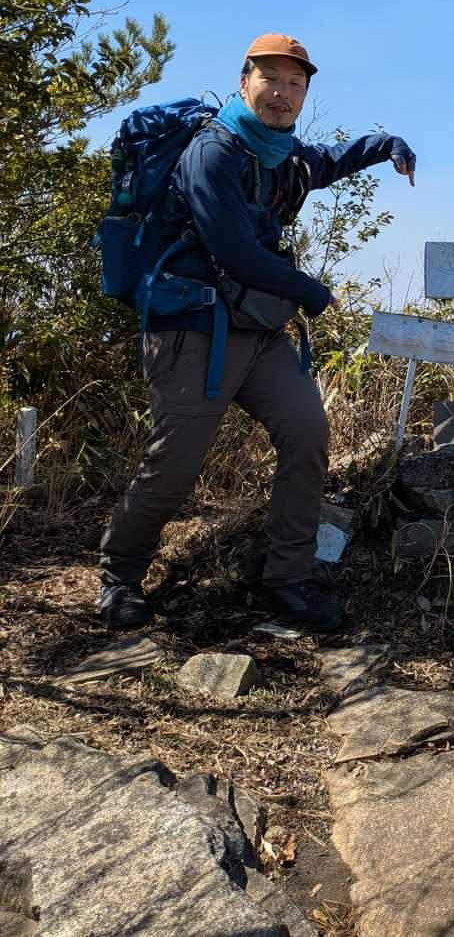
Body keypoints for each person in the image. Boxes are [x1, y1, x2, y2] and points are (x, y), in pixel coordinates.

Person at [99, 33, 416, 634]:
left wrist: (386, 145)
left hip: (258, 329)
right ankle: (119, 576)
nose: (282, 94)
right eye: (271, 79)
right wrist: (310, 291)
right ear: (245, 82)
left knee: (306, 433)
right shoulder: (213, 153)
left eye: (295, 84)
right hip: (194, 328)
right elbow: (234, 250)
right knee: (174, 467)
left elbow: (330, 160)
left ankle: (287, 577)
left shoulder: (284, 157)